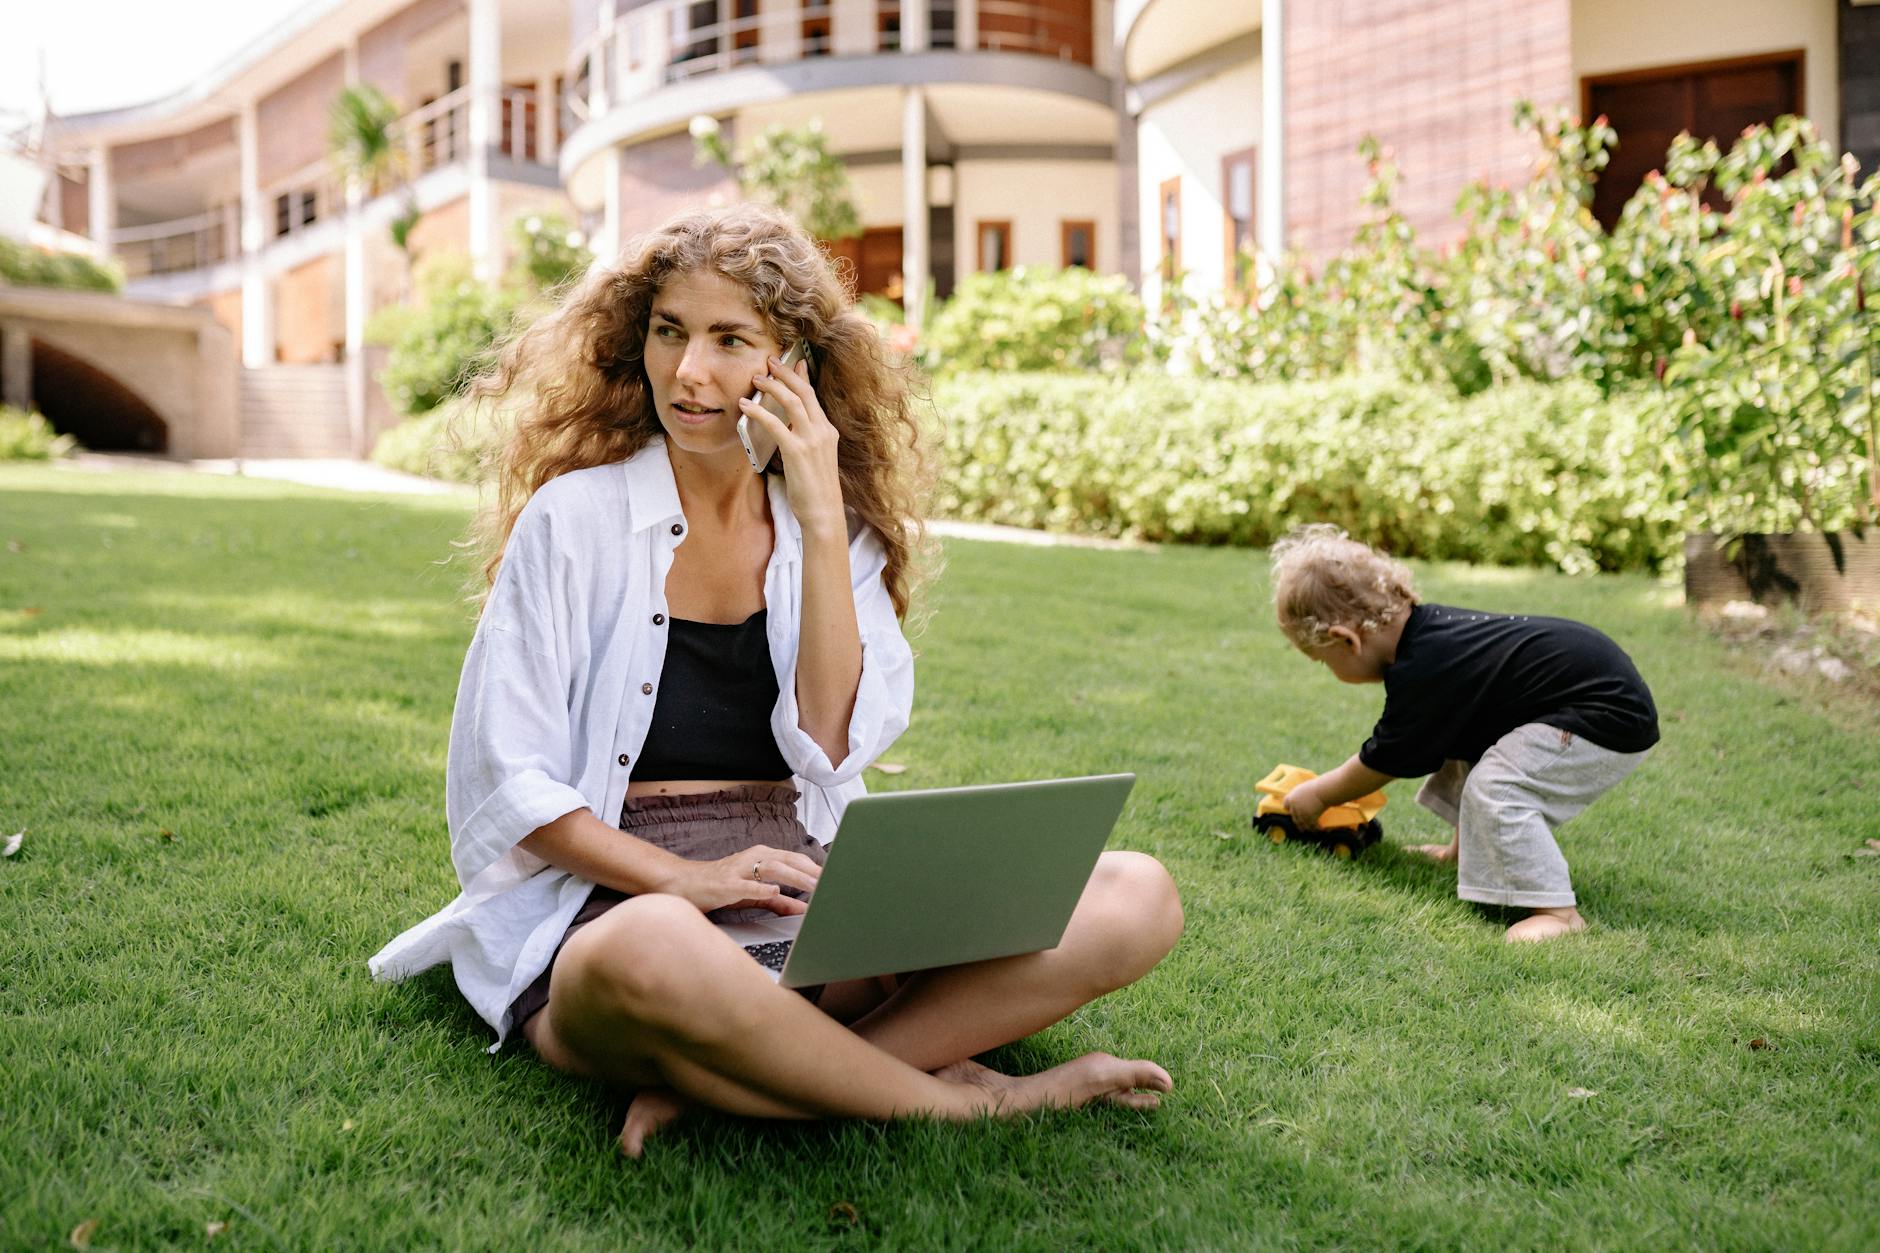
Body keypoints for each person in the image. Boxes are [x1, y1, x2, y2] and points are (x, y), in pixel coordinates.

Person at [369, 204, 1184, 1156]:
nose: (689, 371)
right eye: (669, 332)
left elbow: (830, 745)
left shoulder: (833, 531)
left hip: (803, 886)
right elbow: (510, 780)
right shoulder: (574, 519)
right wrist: (685, 879)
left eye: (729, 340)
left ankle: (756, 1074)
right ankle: (962, 1097)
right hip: (620, 898)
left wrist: (824, 522)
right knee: (654, 946)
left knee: (1136, 894)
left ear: (790, 357)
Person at [1267, 524, 1658, 942]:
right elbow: (1456, 736)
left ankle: (1558, 913)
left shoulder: (1425, 667)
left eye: (1323, 661)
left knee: (1499, 785)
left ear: (1345, 640)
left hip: (1604, 712)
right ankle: (1465, 854)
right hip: (1589, 696)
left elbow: (1391, 755)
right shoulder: (1430, 637)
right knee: (1464, 739)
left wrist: (1322, 794)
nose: (1329, 670)